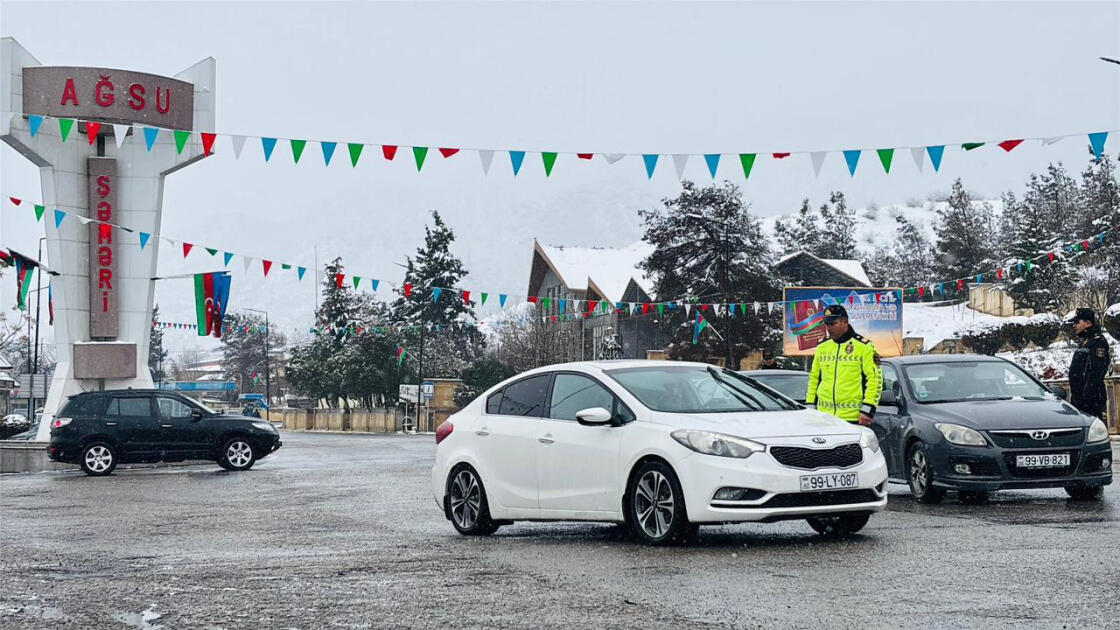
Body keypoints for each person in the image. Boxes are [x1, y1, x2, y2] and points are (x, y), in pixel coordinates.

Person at [805, 304, 883, 426]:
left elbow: (874, 380)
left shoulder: (864, 346)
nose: (828, 328)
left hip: (853, 418)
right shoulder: (822, 347)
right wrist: (810, 407)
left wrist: (867, 410)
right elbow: (814, 378)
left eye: (833, 323)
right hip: (823, 417)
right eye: (826, 324)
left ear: (845, 322)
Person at [1067, 308, 1111, 419]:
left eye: (1077, 322)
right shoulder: (1085, 341)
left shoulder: (1097, 342)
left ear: (1087, 323)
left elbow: (1096, 372)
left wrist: (1085, 398)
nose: (1074, 325)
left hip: (1091, 399)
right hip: (1080, 397)